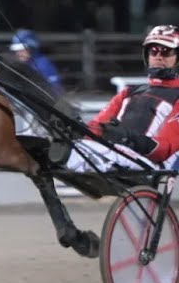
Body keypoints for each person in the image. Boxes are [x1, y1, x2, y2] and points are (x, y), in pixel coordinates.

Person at [61, 25, 179, 173]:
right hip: (118, 156)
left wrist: (127, 138)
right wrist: (78, 129)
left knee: (70, 152)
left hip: (151, 166)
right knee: (66, 145)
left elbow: (165, 149)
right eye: (153, 51)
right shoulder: (129, 92)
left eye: (166, 51)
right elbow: (97, 127)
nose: (158, 57)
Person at [8, 29, 64, 98]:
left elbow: (56, 91)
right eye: (16, 50)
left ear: (31, 48)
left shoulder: (43, 65)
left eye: (22, 50)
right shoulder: (21, 65)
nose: (18, 53)